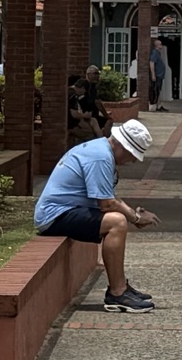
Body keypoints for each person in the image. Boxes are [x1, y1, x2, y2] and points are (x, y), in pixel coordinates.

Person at [34, 119, 158, 312]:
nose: (132, 161)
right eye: (132, 154)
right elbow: (107, 204)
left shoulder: (101, 149)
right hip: (55, 216)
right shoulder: (100, 158)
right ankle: (117, 293)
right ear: (121, 146)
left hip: (64, 210)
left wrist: (133, 213)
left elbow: (109, 197)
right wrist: (135, 218)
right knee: (117, 222)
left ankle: (121, 287)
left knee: (119, 218)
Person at [147, 37, 171, 110]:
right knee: (156, 90)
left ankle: (159, 105)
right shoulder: (155, 53)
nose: (161, 45)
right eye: (160, 44)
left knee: (158, 90)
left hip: (159, 75)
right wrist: (153, 75)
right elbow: (151, 63)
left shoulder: (158, 53)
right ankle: (156, 105)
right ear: (157, 45)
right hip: (157, 75)